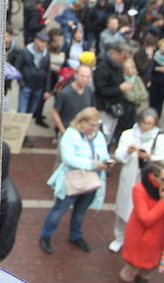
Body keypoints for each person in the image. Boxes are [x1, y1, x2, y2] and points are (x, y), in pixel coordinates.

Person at [39, 107, 110, 254]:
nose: (94, 129)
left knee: (81, 211)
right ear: (81, 122)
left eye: (97, 125)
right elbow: (68, 158)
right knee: (58, 210)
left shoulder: (98, 135)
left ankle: (75, 235)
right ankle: (45, 236)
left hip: (91, 182)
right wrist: (92, 164)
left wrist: (106, 161)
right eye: (91, 125)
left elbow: (103, 153)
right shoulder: (70, 134)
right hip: (72, 181)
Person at [110, 109, 164, 253]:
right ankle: (119, 238)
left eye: (150, 123)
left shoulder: (161, 138)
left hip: (148, 181)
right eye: (144, 123)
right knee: (123, 208)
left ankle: (135, 239)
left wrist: (149, 157)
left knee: (143, 212)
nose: (146, 126)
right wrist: (128, 152)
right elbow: (119, 155)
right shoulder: (128, 134)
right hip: (130, 177)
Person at [119, 161, 164, 282]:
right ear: (153, 176)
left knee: (147, 273)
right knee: (131, 271)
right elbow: (146, 219)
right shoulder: (139, 190)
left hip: (159, 240)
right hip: (140, 240)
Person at [94, 42, 135, 144]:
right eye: (123, 57)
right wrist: (120, 88)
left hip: (115, 107)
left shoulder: (118, 66)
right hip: (104, 107)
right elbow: (101, 90)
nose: (124, 60)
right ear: (116, 54)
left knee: (110, 134)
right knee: (103, 135)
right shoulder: (103, 67)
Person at [51, 65, 95, 135]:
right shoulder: (65, 93)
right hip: (68, 130)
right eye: (82, 76)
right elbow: (55, 112)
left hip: (83, 132)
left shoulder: (89, 91)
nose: (85, 79)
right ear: (76, 75)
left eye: (87, 77)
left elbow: (92, 110)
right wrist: (63, 131)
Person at [15, 31, 50, 115]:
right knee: (21, 112)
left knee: (30, 112)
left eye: (45, 42)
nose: (43, 44)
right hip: (26, 86)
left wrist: (47, 90)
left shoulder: (46, 54)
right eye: (41, 41)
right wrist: (21, 83)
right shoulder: (26, 51)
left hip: (38, 87)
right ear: (35, 40)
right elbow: (17, 67)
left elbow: (48, 72)